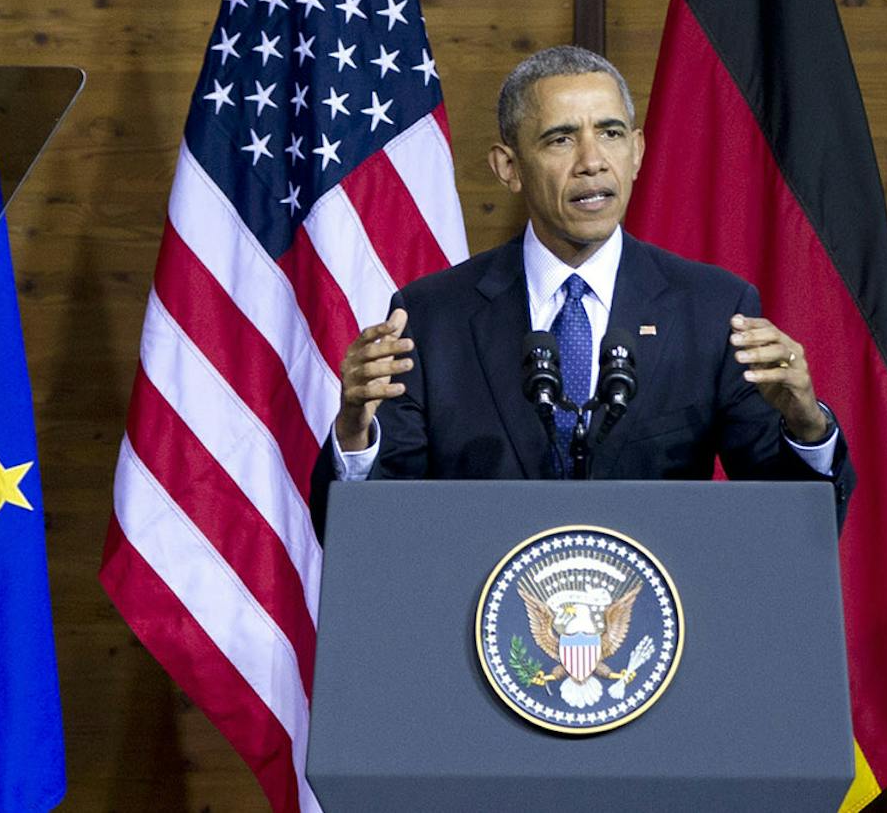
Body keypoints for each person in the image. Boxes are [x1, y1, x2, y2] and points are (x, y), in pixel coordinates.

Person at [320, 45, 850, 514]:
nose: (592, 162)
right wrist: (353, 432)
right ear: (509, 167)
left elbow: (790, 522)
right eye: (560, 140)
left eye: (611, 133)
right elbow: (372, 528)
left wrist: (806, 424)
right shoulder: (432, 318)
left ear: (637, 152)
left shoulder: (712, 308)